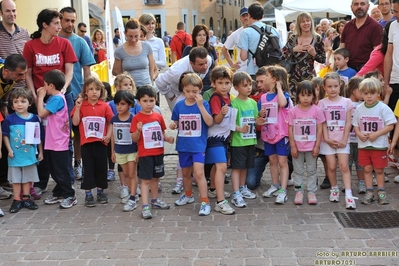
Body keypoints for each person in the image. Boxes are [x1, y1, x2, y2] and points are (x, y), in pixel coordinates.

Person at [59, 7, 96, 183]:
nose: (70, 24)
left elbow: (87, 70)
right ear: (60, 20)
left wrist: (87, 93)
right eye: (67, 20)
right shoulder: (54, 40)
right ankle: (63, 164)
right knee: (61, 132)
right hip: (56, 96)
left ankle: (78, 163)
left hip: (76, 94)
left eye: (73, 20)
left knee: (78, 131)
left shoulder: (80, 42)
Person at [171, 73, 213, 216]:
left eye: (194, 91)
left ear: (200, 90)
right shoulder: (179, 105)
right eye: (187, 91)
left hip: (198, 146)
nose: (190, 94)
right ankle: (188, 195)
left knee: (199, 173)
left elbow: (209, 122)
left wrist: (200, 106)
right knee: (186, 173)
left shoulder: (204, 104)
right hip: (184, 145)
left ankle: (204, 201)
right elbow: (176, 120)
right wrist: (173, 124)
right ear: (183, 90)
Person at [131, 85, 174, 219]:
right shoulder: (137, 118)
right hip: (145, 155)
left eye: (151, 100)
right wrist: (138, 130)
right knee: (145, 180)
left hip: (158, 153)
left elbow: (161, 132)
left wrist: (167, 138)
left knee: (156, 178)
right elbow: (134, 139)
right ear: (139, 102)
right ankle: (145, 206)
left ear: (155, 100)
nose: (148, 104)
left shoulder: (158, 116)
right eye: (145, 101)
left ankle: (155, 201)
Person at [36, 70, 76, 209]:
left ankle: (69, 194)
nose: (44, 87)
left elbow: (41, 113)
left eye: (45, 85)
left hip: (59, 142)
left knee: (60, 170)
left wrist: (40, 97)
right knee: (54, 169)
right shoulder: (54, 99)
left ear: (51, 86)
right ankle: (59, 192)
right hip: (52, 141)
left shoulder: (58, 98)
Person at [71, 76, 113, 207]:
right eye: (91, 89)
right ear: (85, 92)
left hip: (101, 142)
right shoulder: (81, 105)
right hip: (86, 143)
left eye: (97, 89)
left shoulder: (105, 106)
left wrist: (108, 135)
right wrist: (77, 108)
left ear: (101, 91)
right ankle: (88, 193)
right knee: (88, 168)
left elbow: (111, 122)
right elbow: (75, 122)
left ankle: (100, 191)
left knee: (101, 167)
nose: (94, 92)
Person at [354, 78, 396, 205]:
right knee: (366, 169)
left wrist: (376, 134)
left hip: (379, 146)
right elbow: (355, 125)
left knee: (379, 169)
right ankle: (369, 191)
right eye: (365, 93)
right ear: (361, 94)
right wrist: (360, 134)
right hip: (364, 146)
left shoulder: (383, 108)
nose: (369, 96)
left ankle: (381, 192)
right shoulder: (359, 109)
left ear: (377, 93)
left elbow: (391, 125)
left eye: (372, 93)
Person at [318, 72, 356, 209]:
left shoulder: (347, 102)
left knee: (344, 166)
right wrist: (326, 138)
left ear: (340, 86)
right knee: (331, 167)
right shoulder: (322, 103)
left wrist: (345, 139)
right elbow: (322, 123)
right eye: (329, 86)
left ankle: (349, 194)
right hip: (328, 140)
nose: (332, 89)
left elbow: (348, 122)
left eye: (335, 86)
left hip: (342, 140)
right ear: (324, 88)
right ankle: (334, 188)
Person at [2, 87, 42, 213]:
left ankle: (26, 198)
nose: (19, 104)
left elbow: (38, 137)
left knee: (27, 178)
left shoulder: (34, 118)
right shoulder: (9, 119)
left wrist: (41, 152)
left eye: (23, 101)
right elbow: (5, 135)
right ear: (12, 105)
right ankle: (17, 199)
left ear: (29, 103)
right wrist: (9, 149)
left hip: (29, 155)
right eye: (16, 101)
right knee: (16, 179)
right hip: (14, 155)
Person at [258, 66, 291, 204]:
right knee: (272, 161)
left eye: (266, 75)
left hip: (281, 134)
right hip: (268, 134)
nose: (263, 78)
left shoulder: (283, 95)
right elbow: (259, 112)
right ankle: (275, 184)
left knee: (282, 162)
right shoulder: (263, 97)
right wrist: (260, 115)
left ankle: (283, 190)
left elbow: (283, 104)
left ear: (275, 79)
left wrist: (279, 88)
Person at [204, 66, 235, 215]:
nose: (224, 86)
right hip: (214, 138)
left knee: (217, 167)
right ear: (213, 83)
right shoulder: (216, 98)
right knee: (222, 167)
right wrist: (222, 113)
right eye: (220, 83)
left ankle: (213, 190)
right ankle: (220, 202)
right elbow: (216, 119)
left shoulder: (228, 97)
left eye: (227, 83)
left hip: (223, 138)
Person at [288, 81, 325, 205]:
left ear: (313, 96)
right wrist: (293, 146)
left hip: (311, 147)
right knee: (298, 170)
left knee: (312, 170)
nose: (305, 98)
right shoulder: (293, 111)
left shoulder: (317, 111)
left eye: (309, 95)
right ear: (297, 95)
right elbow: (290, 129)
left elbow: (320, 130)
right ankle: (299, 191)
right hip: (297, 147)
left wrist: (317, 146)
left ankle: (311, 192)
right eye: (303, 95)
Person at [230, 71, 261, 208]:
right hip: (238, 142)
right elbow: (230, 124)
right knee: (237, 168)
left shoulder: (253, 103)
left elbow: (255, 121)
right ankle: (236, 192)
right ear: (236, 88)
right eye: (244, 85)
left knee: (245, 167)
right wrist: (239, 129)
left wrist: (260, 119)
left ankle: (242, 188)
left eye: (249, 85)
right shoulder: (234, 104)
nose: (249, 88)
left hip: (250, 141)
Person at [0, 54, 27, 199]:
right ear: (6, 71)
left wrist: (4, 104)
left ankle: (3, 180)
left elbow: (7, 90)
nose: (23, 78)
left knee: (4, 145)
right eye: (20, 74)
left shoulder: (11, 78)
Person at [108, 73, 138, 201]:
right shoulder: (114, 118)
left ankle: (133, 195)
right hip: (120, 150)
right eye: (117, 105)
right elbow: (113, 135)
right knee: (125, 173)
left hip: (132, 149)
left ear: (129, 105)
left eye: (122, 104)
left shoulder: (133, 118)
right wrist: (112, 152)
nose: (119, 107)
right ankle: (129, 189)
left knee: (132, 173)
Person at [155, 46, 213, 111]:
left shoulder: (209, 60)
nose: (205, 67)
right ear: (191, 63)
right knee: (180, 115)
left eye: (206, 63)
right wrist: (171, 96)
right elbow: (159, 81)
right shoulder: (176, 72)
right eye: (201, 64)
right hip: (176, 92)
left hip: (192, 91)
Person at [282, 12, 325, 97]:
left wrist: (314, 54)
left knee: (310, 99)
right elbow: (282, 55)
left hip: (310, 76)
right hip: (294, 77)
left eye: (308, 21)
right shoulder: (293, 38)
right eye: (303, 21)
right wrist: (293, 49)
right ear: (299, 24)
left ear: (311, 22)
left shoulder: (317, 39)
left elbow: (323, 59)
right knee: (294, 100)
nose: (306, 23)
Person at [238, 1, 281, 80]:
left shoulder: (246, 32)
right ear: (263, 16)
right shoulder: (274, 30)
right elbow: (280, 50)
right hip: (272, 73)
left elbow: (243, 57)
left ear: (249, 15)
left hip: (254, 72)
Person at [340, 0, 382, 71]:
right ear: (351, 7)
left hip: (368, 71)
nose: (359, 6)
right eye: (356, 4)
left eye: (362, 4)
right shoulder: (347, 26)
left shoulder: (376, 27)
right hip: (348, 69)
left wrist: (364, 72)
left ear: (368, 6)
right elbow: (342, 49)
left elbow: (377, 54)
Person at [113, 18, 154, 88]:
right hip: (129, 89)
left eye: (136, 36)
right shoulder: (119, 51)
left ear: (140, 33)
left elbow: (152, 68)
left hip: (146, 87)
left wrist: (152, 82)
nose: (133, 39)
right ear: (125, 33)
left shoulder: (147, 47)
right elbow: (120, 74)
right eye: (130, 36)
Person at [345, 76, 366, 194]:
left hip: (360, 140)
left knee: (360, 164)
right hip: (348, 139)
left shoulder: (364, 105)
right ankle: (347, 183)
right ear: (353, 90)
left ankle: (361, 182)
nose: (363, 94)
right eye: (361, 90)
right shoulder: (346, 103)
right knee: (347, 164)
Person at [182, 24, 218, 92]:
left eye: (204, 35)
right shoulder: (188, 49)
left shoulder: (211, 48)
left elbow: (216, 67)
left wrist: (215, 82)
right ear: (195, 37)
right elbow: (184, 68)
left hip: (210, 84)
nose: (202, 37)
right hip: (194, 85)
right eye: (199, 35)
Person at [222, 6, 250, 72]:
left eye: (247, 15)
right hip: (242, 69)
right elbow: (224, 49)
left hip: (255, 68)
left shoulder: (256, 30)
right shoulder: (236, 34)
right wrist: (232, 64)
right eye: (243, 16)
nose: (246, 18)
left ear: (250, 16)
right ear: (240, 18)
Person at [384, 0, 399, 112]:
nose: (395, 15)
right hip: (395, 80)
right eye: (394, 11)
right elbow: (389, 54)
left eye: (398, 12)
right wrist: (386, 82)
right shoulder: (393, 26)